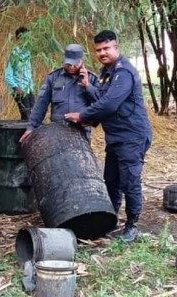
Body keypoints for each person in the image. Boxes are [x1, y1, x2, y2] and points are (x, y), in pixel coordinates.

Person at [65, 31, 153, 243]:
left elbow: (110, 104)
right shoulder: (106, 73)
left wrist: (83, 116)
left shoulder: (124, 73)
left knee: (129, 181)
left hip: (132, 136)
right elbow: (102, 99)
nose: (102, 53)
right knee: (111, 180)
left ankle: (132, 224)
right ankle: (110, 220)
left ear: (116, 48)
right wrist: (88, 87)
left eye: (106, 48)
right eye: (98, 50)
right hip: (115, 137)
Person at [19, 44, 99, 143]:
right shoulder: (53, 78)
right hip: (57, 131)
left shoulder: (92, 79)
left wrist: (87, 86)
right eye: (68, 64)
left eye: (75, 64)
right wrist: (31, 127)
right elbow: (41, 104)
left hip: (81, 132)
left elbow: (101, 104)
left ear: (81, 60)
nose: (71, 67)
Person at [5, 26, 34, 121]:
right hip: (20, 90)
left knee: (33, 115)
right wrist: (17, 88)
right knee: (27, 116)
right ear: (17, 39)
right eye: (23, 39)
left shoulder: (28, 53)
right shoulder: (14, 54)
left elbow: (29, 73)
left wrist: (32, 88)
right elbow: (8, 76)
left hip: (29, 89)